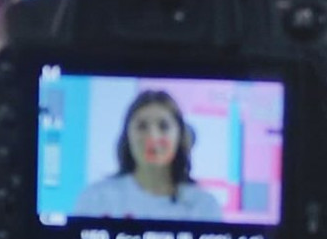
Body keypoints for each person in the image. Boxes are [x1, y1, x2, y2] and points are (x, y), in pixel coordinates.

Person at [74, 90, 222, 222]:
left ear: (180, 137)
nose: (152, 137)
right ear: (127, 137)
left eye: (163, 126)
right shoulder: (96, 198)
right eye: (142, 127)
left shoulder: (204, 205)